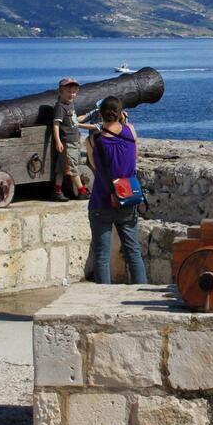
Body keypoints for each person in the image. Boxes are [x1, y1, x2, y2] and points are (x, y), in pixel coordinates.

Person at [85, 96, 148, 284]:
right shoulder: (130, 131)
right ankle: (141, 293)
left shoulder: (94, 139)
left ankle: (104, 299)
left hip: (102, 200)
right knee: (133, 252)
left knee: (102, 255)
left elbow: (94, 166)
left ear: (100, 114)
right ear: (121, 114)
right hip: (127, 197)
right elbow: (133, 156)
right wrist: (124, 122)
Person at [51, 77, 97, 202]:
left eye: (74, 92)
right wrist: (58, 141)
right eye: (69, 92)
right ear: (60, 92)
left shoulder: (69, 104)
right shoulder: (60, 107)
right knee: (72, 169)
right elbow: (56, 124)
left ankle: (57, 191)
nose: (72, 94)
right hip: (67, 142)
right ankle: (82, 191)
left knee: (61, 169)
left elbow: (74, 120)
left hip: (74, 141)